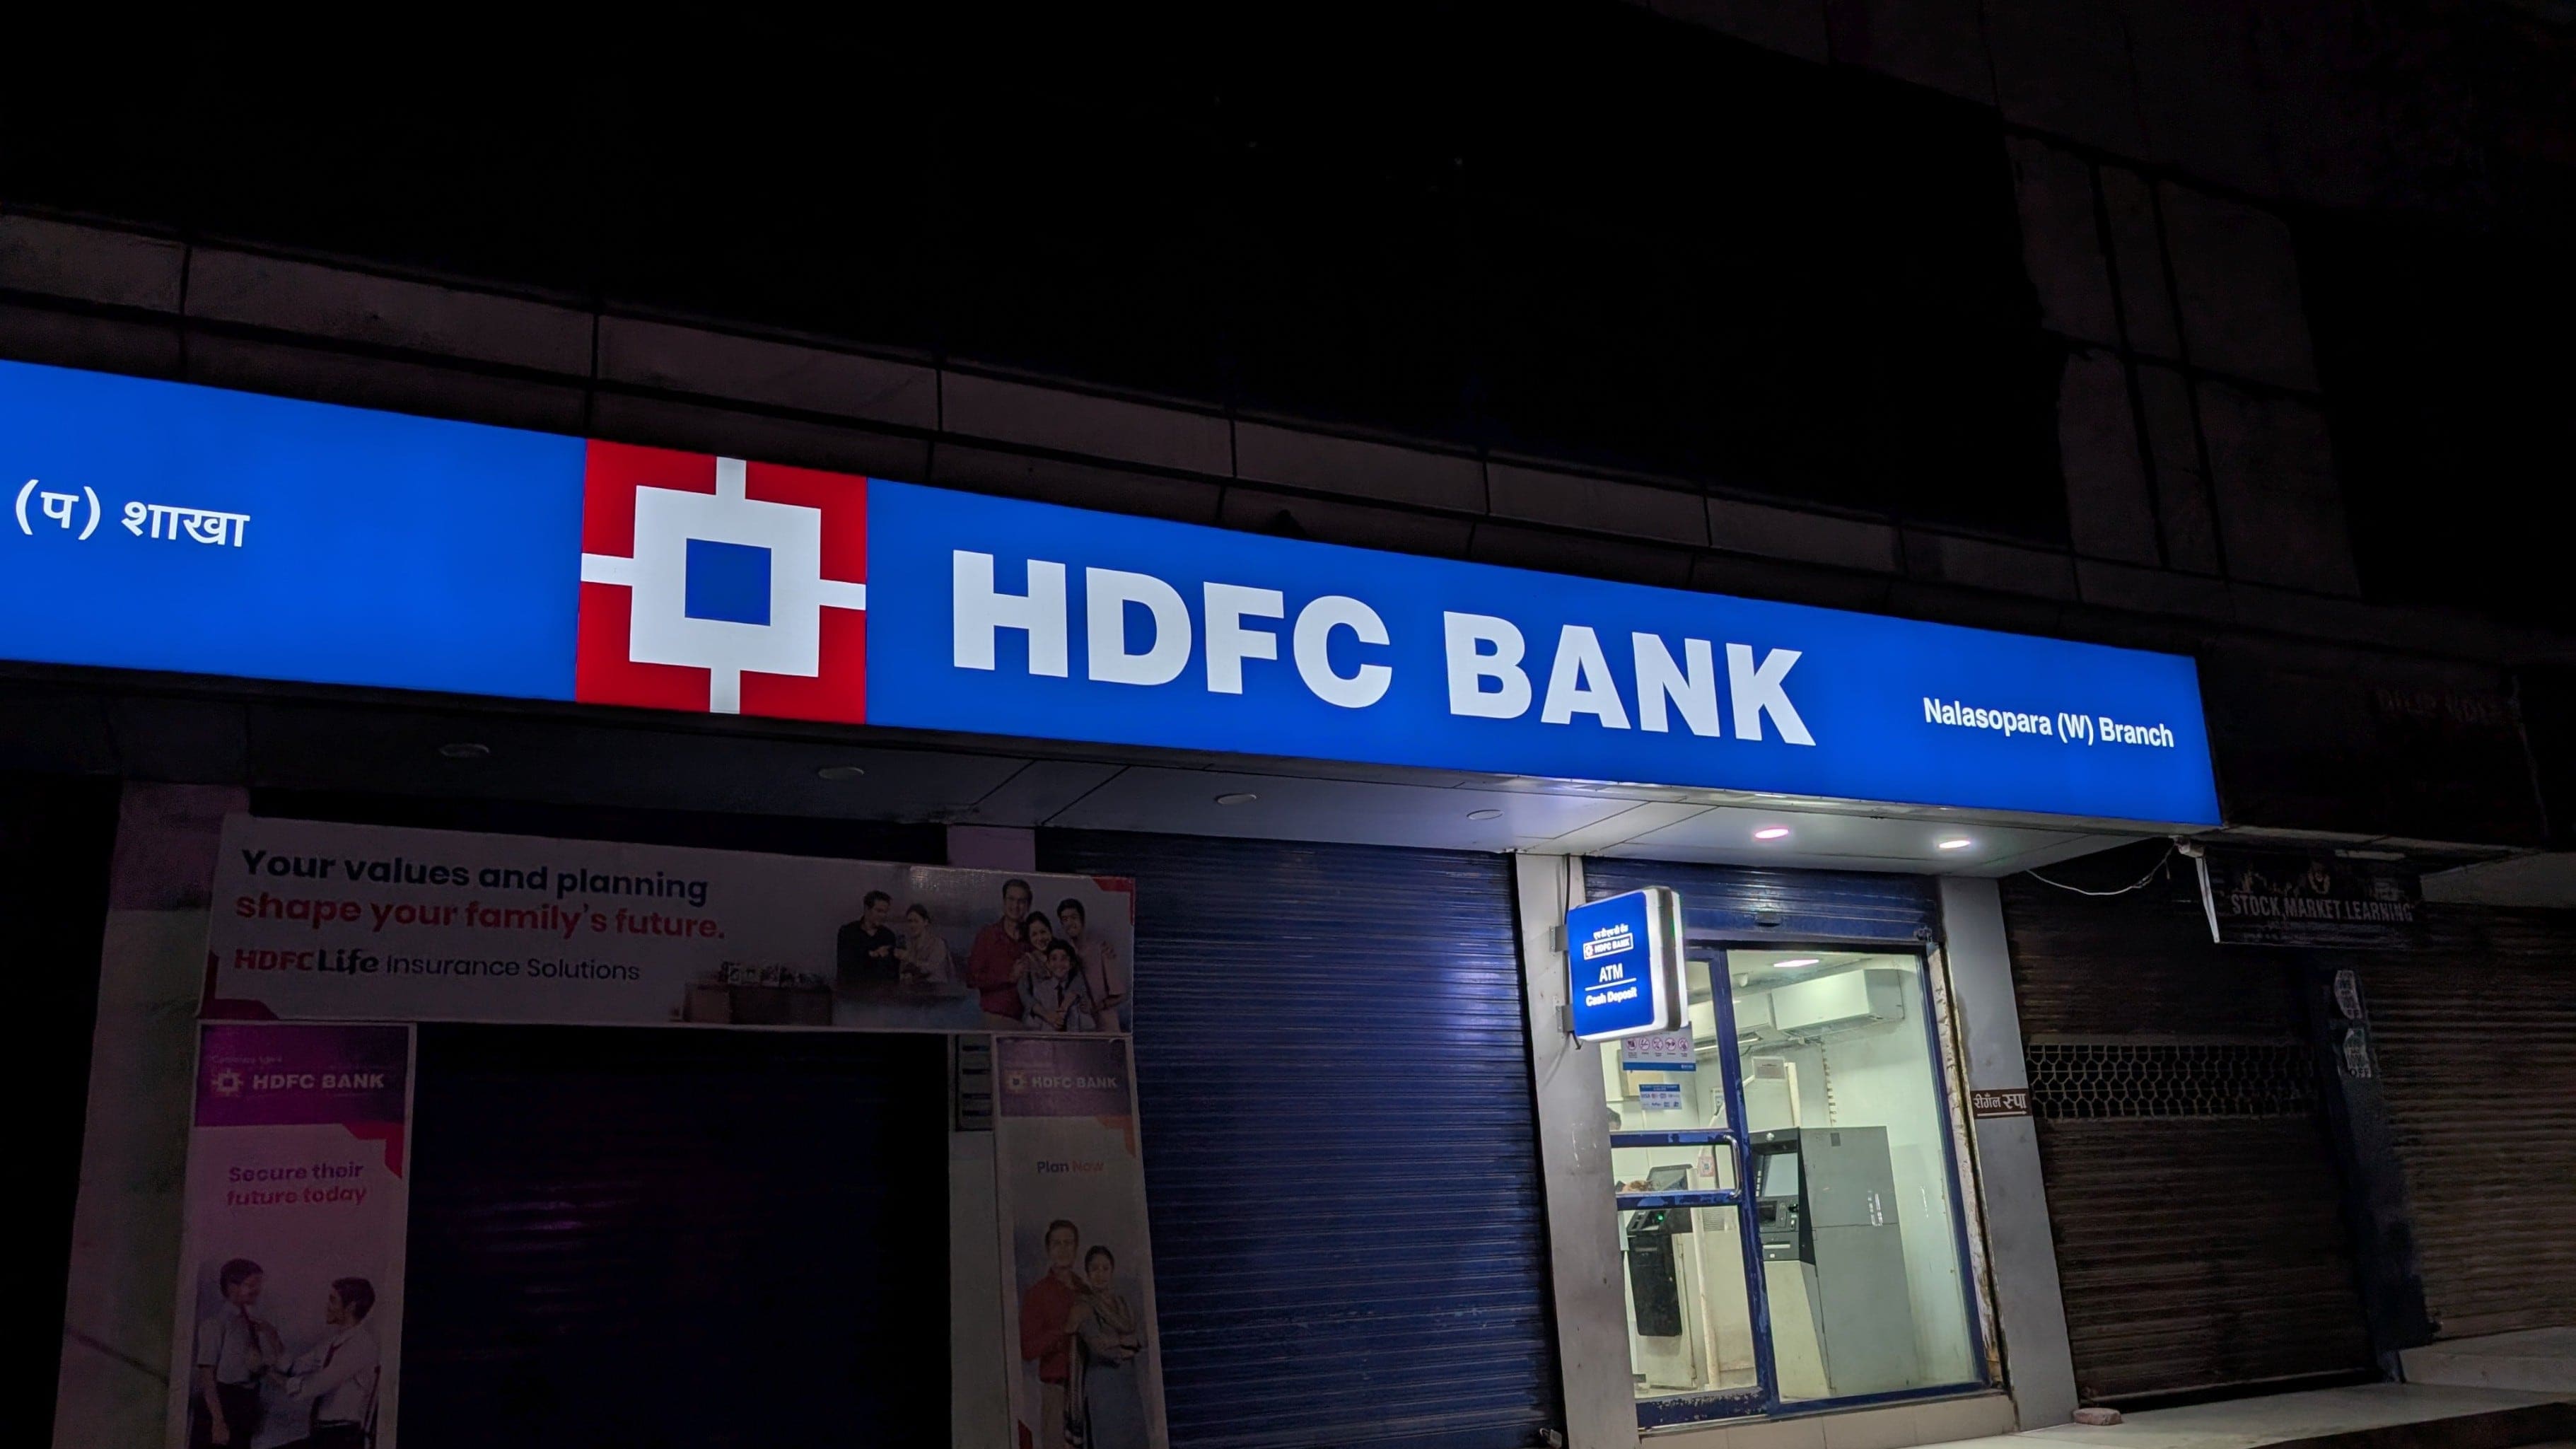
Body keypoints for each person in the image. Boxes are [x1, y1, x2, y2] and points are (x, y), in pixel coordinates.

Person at [274, 1277, 380, 1449]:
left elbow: (312, 1387)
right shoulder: (331, 1344)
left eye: (333, 1300)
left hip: (343, 1438)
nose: (327, 1306)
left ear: (351, 1307)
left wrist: (267, 1373)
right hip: (323, 1435)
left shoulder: (361, 1346)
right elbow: (294, 1367)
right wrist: (272, 1338)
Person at [192, 1257, 279, 1448]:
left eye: (258, 1285)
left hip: (244, 1404)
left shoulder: (253, 1324)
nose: (257, 1290)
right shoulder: (215, 1325)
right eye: (251, 1285)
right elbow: (207, 1376)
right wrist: (218, 1421)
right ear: (232, 1287)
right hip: (222, 1404)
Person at [1068, 1245, 1149, 1449]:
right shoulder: (1084, 1306)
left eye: (1105, 1269)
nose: (1100, 1274)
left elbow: (1143, 1337)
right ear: (1087, 1273)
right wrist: (1125, 1344)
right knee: (1109, 1439)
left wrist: (1116, 1340)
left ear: (1112, 1271)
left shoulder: (1123, 1304)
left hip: (1127, 1382)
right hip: (1102, 1383)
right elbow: (1098, 1346)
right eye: (1095, 1269)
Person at [1019, 1221, 1085, 1449]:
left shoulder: (1086, 1291)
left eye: (1069, 1243)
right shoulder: (1037, 1294)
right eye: (1057, 1244)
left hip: (1088, 1392)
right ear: (1048, 1250)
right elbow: (1028, 1350)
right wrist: (1064, 1330)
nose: (1063, 1249)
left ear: (1076, 1248)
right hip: (1056, 1392)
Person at [967, 878, 1035, 1029]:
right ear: (1004, 902)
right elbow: (972, 979)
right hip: (996, 1019)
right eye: (1011, 899)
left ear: (1028, 906)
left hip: (1030, 1022)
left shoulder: (1033, 938)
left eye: (1021, 901)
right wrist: (1008, 977)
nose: (1015, 906)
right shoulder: (988, 935)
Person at [1056, 898, 1128, 1032]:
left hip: (1106, 1027)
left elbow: (1121, 996)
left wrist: (1096, 1007)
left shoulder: (1102, 950)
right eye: (1065, 920)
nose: (1070, 923)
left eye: (1074, 918)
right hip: (1078, 1029)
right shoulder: (1064, 954)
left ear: (1082, 920)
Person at [1023, 940, 1097, 1033]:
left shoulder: (1078, 991)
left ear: (1071, 964)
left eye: (1064, 959)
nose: (1059, 964)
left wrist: (1085, 1012)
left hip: (1073, 1039)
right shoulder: (1040, 990)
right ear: (1048, 964)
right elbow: (1032, 1025)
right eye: (1054, 959)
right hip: (1047, 1039)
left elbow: (1089, 1025)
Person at [834, 890, 902, 993]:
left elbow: (893, 972)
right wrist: (872, 955)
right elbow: (845, 964)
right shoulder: (848, 932)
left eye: (885, 912)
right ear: (867, 909)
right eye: (879, 911)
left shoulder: (888, 936)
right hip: (851, 993)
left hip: (880, 994)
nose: (883, 916)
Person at [894, 902, 955, 987]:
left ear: (925, 922)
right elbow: (904, 969)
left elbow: (931, 968)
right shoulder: (909, 944)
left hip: (937, 988)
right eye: (910, 921)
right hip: (915, 988)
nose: (912, 925)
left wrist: (909, 958)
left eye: (916, 921)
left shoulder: (938, 944)